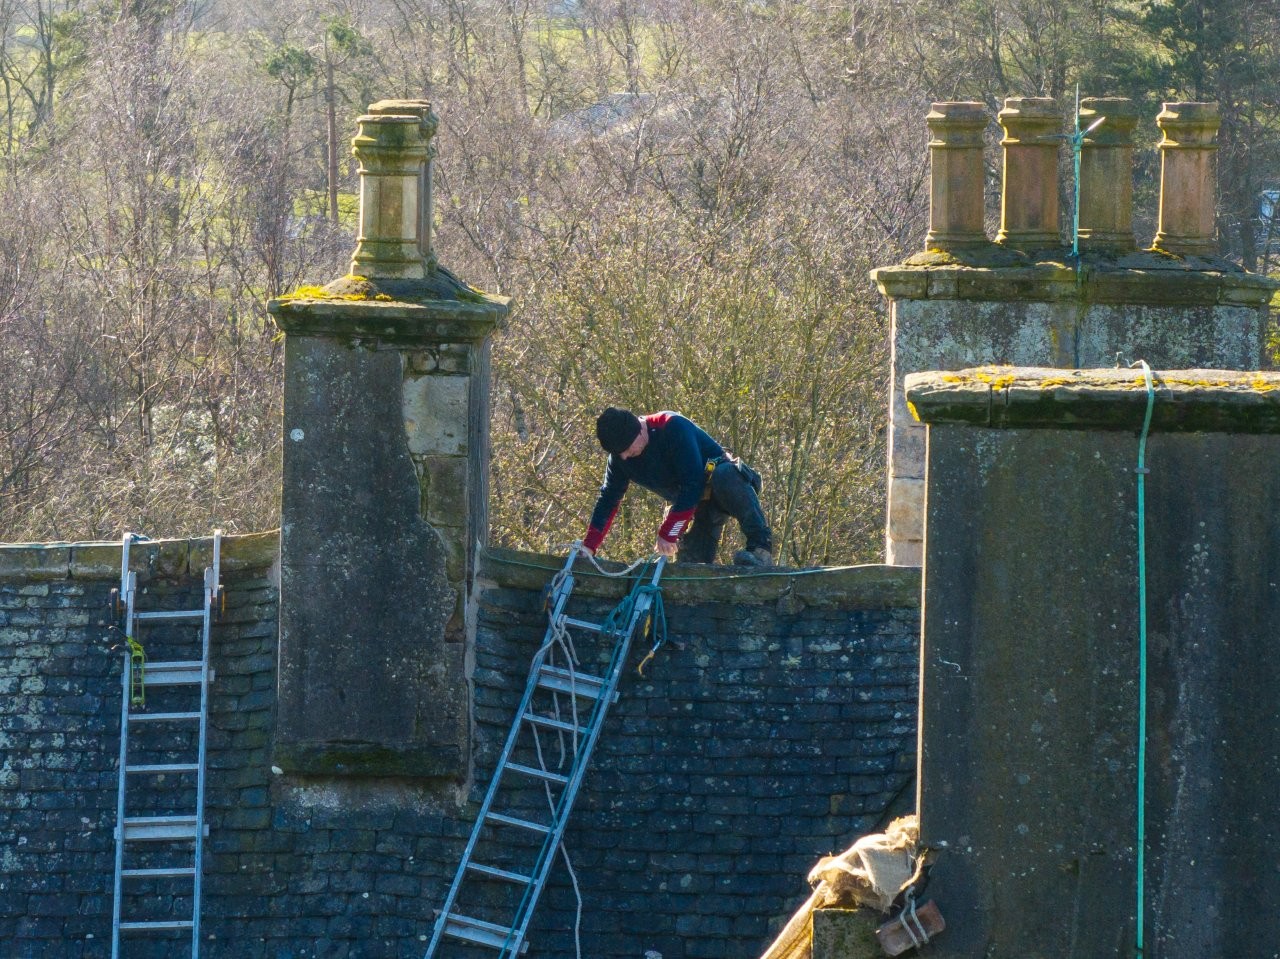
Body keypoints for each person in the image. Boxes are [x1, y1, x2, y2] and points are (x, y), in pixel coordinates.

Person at [582, 407, 774, 566]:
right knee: (691, 571)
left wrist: (669, 531)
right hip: (696, 506)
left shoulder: (671, 426)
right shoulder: (619, 458)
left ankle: (760, 549)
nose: (624, 457)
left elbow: (693, 482)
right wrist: (589, 546)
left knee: (725, 475)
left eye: (626, 449)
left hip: (726, 485)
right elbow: (608, 500)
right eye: (618, 453)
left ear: (639, 430)